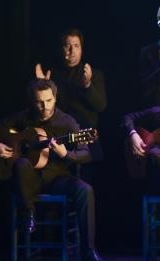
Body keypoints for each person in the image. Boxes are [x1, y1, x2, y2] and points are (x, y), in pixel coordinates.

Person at [0, 79, 107, 261]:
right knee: (20, 164)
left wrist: (66, 153)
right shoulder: (26, 117)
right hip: (30, 179)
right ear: (32, 101)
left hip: (57, 177)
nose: (44, 107)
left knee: (86, 190)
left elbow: (87, 153)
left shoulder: (67, 122)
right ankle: (28, 214)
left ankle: (88, 251)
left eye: (49, 101)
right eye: (39, 102)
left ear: (55, 98)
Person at [35, 28, 107, 183]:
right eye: (67, 46)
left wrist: (87, 85)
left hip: (85, 136)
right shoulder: (52, 74)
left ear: (82, 48)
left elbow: (101, 105)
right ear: (61, 49)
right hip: (59, 137)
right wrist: (42, 85)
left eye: (76, 46)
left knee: (87, 181)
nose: (72, 50)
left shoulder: (94, 73)